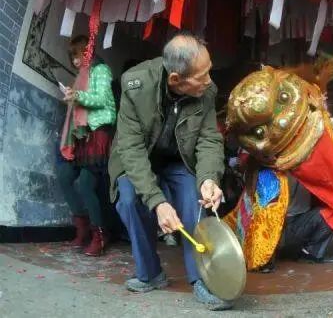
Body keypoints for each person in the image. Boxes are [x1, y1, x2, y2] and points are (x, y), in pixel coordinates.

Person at [109, 33, 231, 311]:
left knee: (195, 199)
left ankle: (203, 279)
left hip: (179, 159)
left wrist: (209, 178)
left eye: (209, 71)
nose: (209, 80)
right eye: (202, 76)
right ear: (176, 79)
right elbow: (131, 149)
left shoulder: (207, 91)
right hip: (140, 156)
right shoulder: (135, 85)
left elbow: (209, 139)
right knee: (129, 199)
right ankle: (150, 273)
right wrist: (158, 202)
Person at [57, 35, 116, 256]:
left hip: (98, 132)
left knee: (85, 184)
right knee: (64, 176)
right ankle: (82, 226)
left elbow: (101, 99)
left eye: (78, 55)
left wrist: (78, 96)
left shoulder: (101, 70)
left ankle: (99, 234)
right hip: (82, 134)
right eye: (72, 57)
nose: (75, 61)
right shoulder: (81, 75)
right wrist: (73, 97)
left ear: (88, 52)